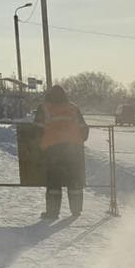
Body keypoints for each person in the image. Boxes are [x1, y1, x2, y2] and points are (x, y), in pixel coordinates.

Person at [34, 85, 89, 220]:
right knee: (75, 179)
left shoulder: (44, 107)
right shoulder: (73, 107)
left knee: (54, 181)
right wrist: (78, 140)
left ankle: (53, 213)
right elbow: (84, 129)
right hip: (74, 149)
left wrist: (40, 146)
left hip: (54, 149)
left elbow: (37, 129)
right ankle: (76, 211)